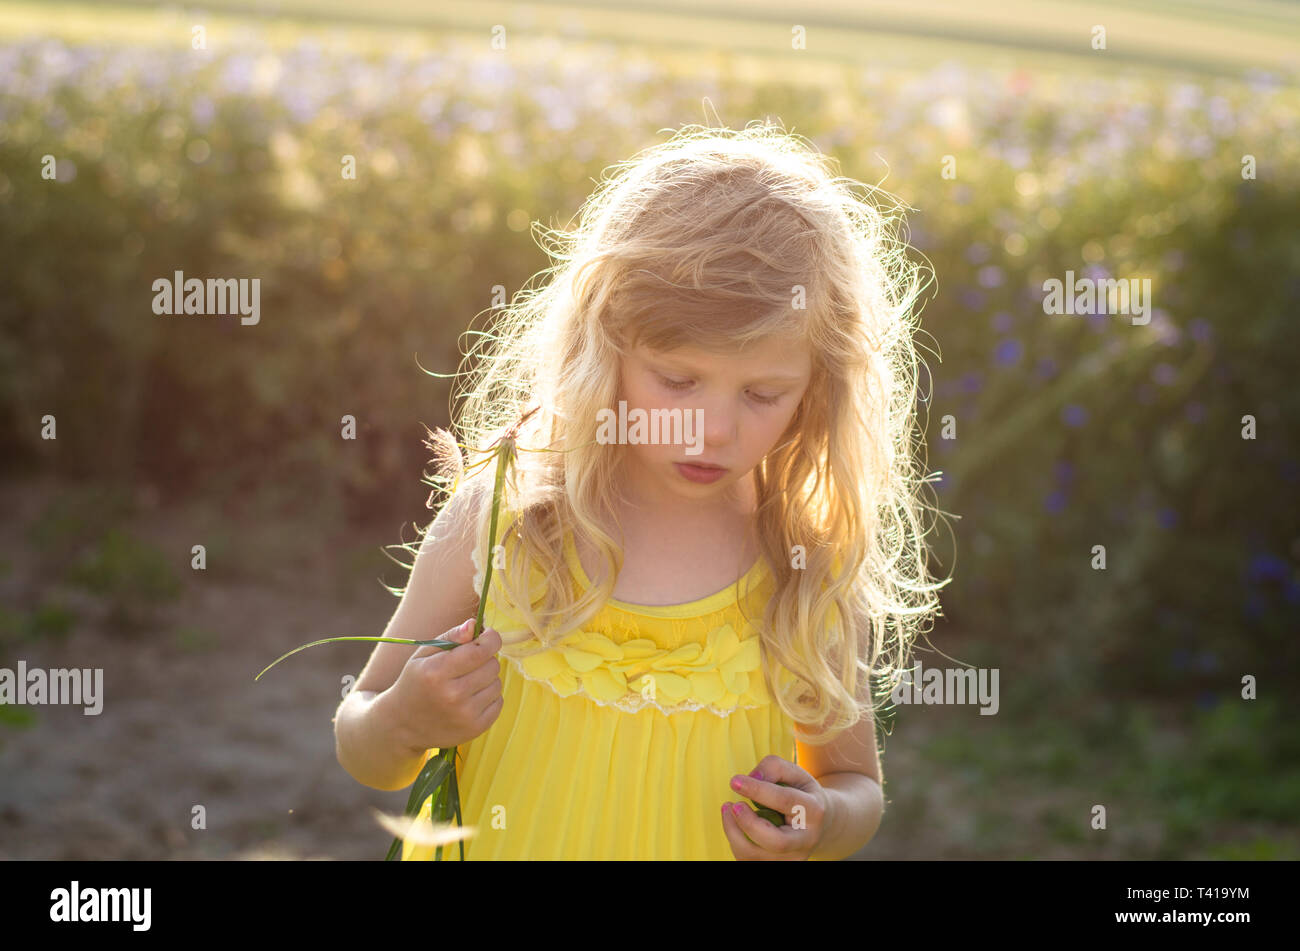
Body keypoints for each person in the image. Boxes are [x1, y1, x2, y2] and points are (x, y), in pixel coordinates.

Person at [333, 121, 949, 860]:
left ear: (818, 389)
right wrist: (406, 718)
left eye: (763, 392)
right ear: (607, 348)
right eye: (678, 380)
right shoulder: (510, 517)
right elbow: (363, 737)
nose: (713, 429)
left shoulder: (802, 562)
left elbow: (855, 783)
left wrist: (821, 817)